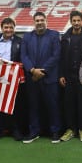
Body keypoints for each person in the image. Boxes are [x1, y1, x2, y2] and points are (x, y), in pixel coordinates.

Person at [21, 11, 62, 144]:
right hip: (32, 78)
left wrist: (42, 71)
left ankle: (55, 131)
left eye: (41, 20)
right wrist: (32, 70)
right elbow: (24, 56)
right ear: (34, 22)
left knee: (53, 106)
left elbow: (56, 55)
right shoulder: (27, 37)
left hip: (49, 78)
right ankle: (34, 132)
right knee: (33, 106)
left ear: (46, 21)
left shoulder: (54, 35)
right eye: (37, 20)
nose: (39, 22)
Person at [59, 10, 82, 142]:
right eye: (73, 21)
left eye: (78, 20)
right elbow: (61, 58)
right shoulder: (65, 37)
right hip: (68, 77)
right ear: (70, 21)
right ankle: (70, 129)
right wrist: (61, 75)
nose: (76, 23)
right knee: (69, 104)